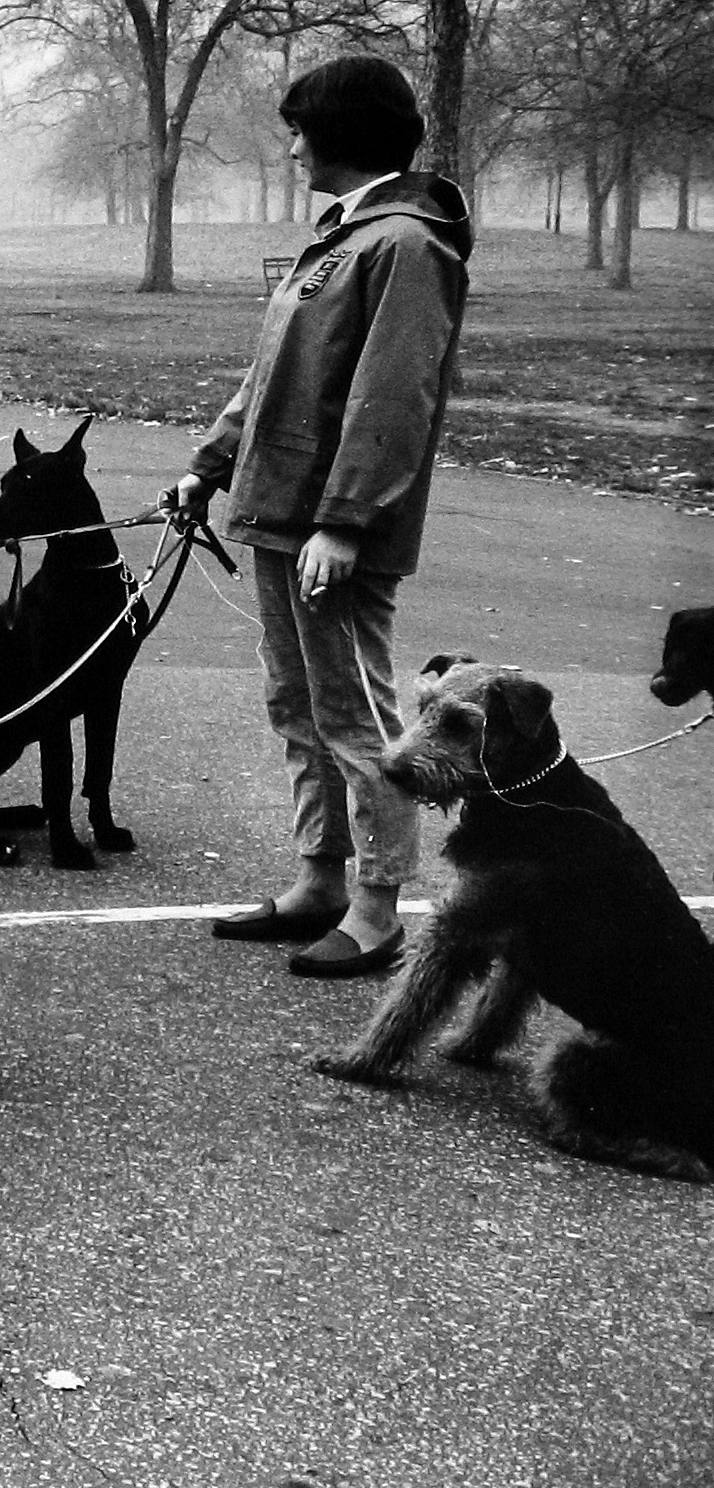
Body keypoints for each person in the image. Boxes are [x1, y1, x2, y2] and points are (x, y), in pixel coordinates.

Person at [178, 56, 470, 979]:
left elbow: (394, 399)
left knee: (356, 720)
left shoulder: (406, 246)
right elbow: (274, 379)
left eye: (301, 126)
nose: (292, 142)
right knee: (296, 708)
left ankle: (379, 909)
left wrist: (344, 522)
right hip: (278, 513)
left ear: (342, 133)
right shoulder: (345, 239)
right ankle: (320, 882)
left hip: (330, 531)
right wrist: (211, 463)